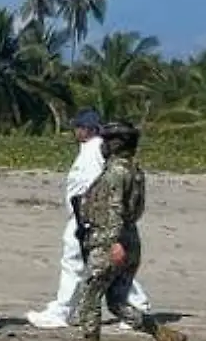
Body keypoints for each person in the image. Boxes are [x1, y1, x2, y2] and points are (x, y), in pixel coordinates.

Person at [64, 121, 187, 341]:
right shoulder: (135, 171)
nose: (104, 145)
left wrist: (113, 242)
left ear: (117, 143)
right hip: (130, 238)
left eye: (108, 140)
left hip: (111, 241)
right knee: (117, 302)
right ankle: (165, 336)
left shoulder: (115, 173)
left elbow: (114, 209)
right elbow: (135, 209)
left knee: (90, 296)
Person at [28, 109, 151, 329]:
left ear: (87, 129)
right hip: (86, 215)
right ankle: (136, 305)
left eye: (78, 127)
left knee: (76, 262)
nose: (75, 131)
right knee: (100, 265)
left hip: (87, 216)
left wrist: (88, 217)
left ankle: (62, 311)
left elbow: (96, 184)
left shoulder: (94, 149)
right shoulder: (94, 149)